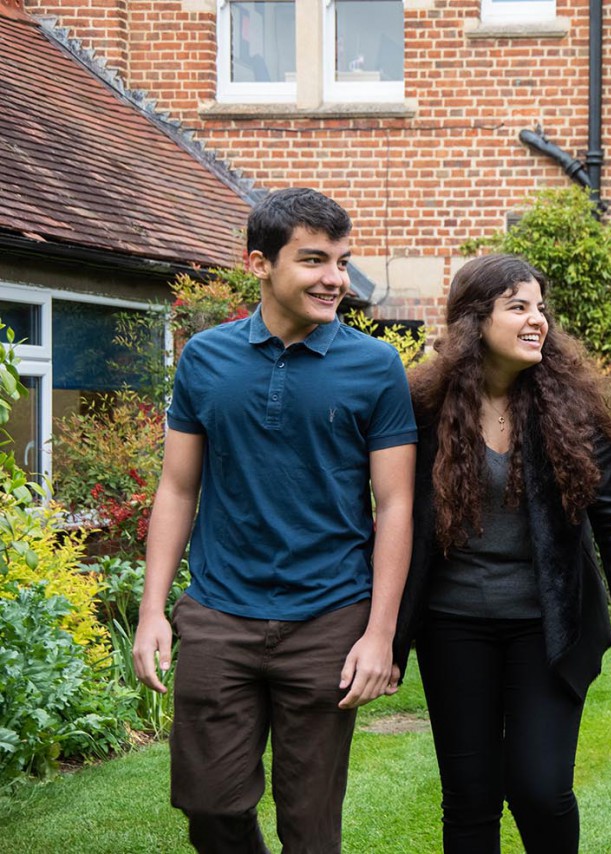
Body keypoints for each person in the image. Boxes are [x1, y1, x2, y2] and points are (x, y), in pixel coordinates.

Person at [132, 188, 417, 853]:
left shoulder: (375, 366)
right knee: (209, 806)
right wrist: (151, 612)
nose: (335, 279)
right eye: (314, 260)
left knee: (310, 826)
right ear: (258, 263)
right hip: (219, 613)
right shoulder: (205, 358)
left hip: (328, 616)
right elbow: (177, 487)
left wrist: (380, 635)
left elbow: (396, 504)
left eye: (342, 262)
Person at [392, 253, 611, 853]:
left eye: (540, 308)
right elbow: (392, 515)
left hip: (548, 628)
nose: (538, 320)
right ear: (474, 321)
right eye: (518, 307)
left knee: (541, 789)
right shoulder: (423, 407)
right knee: (469, 797)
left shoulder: (572, 409)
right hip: (453, 625)